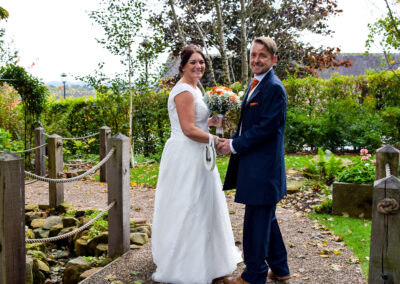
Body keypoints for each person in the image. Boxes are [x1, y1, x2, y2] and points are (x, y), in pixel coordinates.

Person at [151, 44, 242, 284]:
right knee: (188, 203)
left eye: (201, 62)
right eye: (193, 62)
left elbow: (197, 121)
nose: (198, 66)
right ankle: (186, 262)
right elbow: (188, 129)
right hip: (186, 154)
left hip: (198, 152)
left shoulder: (194, 89)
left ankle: (209, 258)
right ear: (182, 66)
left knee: (204, 203)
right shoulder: (183, 91)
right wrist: (218, 139)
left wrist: (212, 120)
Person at [217, 37, 291, 284]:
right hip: (256, 168)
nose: (256, 59)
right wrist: (232, 137)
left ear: (273, 59)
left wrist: (234, 145)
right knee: (266, 219)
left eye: (263, 55)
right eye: (253, 54)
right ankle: (280, 269)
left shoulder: (274, 88)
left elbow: (265, 128)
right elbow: (250, 123)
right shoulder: (256, 83)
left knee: (255, 225)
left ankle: (253, 276)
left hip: (264, 171)